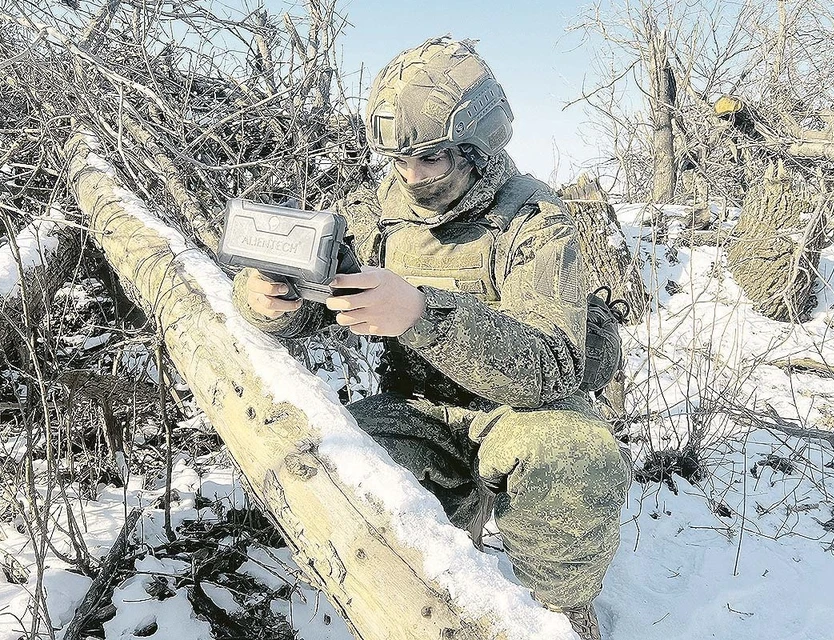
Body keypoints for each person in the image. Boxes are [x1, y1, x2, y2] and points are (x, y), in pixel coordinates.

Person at [233, 36, 627, 639]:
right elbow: (322, 293)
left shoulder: (535, 222)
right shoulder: (379, 213)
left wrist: (421, 315)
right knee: (335, 456)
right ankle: (429, 569)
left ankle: (560, 614)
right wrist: (272, 302)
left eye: (431, 158)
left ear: (477, 147)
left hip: (519, 417)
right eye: (399, 160)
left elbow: (553, 366)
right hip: (420, 412)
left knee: (576, 456)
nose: (412, 177)